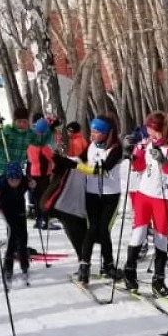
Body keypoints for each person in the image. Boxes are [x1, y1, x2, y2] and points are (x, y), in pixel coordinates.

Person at [54, 114, 123, 285]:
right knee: (92, 228)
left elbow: (102, 170)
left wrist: (75, 165)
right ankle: (84, 265)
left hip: (110, 195)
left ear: (106, 134)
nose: (92, 135)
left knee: (103, 229)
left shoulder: (115, 148)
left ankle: (108, 265)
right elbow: (80, 159)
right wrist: (63, 161)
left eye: (96, 132)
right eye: (91, 131)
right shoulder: (92, 145)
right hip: (91, 193)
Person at [122, 112, 168, 296]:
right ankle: (129, 273)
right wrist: (133, 156)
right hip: (144, 195)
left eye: (150, 128)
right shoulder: (147, 144)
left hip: (163, 199)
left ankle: (158, 280)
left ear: (158, 130)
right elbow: (140, 167)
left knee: (161, 238)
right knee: (139, 233)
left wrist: (163, 162)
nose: (147, 130)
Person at [0, 162, 30, 286]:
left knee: (23, 238)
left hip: (20, 211)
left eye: (18, 180)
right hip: (7, 212)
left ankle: (24, 264)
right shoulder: (2, 183)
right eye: (12, 180)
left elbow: (31, 183)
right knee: (12, 239)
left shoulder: (23, 181)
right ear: (8, 178)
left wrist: (33, 185)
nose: (15, 183)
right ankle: (8, 266)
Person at [0, 107, 40, 176]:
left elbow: (39, 143)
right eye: (19, 121)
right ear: (14, 120)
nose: (22, 124)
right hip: (3, 170)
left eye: (24, 122)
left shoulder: (30, 133)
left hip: (17, 170)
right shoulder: (7, 130)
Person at [27, 117, 55, 229]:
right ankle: (45, 220)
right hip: (43, 174)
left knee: (37, 197)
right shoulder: (42, 143)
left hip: (34, 172)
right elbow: (50, 157)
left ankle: (39, 219)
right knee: (45, 197)